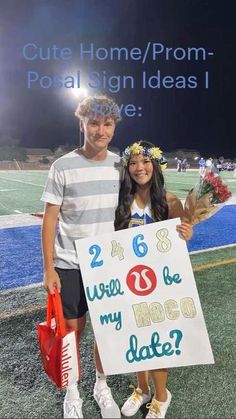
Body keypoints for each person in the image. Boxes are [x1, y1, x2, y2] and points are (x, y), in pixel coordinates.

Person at [41, 95, 122, 419]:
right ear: (82, 124)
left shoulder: (120, 165)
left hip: (106, 264)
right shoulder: (62, 166)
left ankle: (101, 386)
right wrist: (49, 269)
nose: (100, 130)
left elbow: (139, 207)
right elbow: (50, 219)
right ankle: (72, 391)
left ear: (114, 127)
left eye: (107, 123)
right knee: (72, 331)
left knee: (106, 329)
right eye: (94, 123)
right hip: (70, 264)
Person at [114, 141, 193, 419]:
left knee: (156, 341)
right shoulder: (121, 202)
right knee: (136, 337)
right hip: (129, 282)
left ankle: (161, 396)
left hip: (158, 283)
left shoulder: (170, 201)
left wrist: (186, 232)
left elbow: (179, 245)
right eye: (133, 163)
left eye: (146, 162)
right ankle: (142, 388)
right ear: (127, 168)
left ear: (156, 165)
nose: (139, 168)